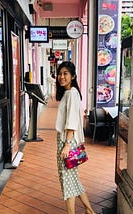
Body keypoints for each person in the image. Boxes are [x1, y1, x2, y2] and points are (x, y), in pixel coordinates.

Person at [55, 61, 95, 214]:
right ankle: (90, 211)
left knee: (67, 182)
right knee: (72, 179)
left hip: (67, 141)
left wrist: (66, 144)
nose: (61, 77)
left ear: (73, 76)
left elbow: (71, 120)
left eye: (65, 73)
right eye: (60, 73)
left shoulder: (71, 93)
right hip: (66, 140)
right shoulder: (69, 93)